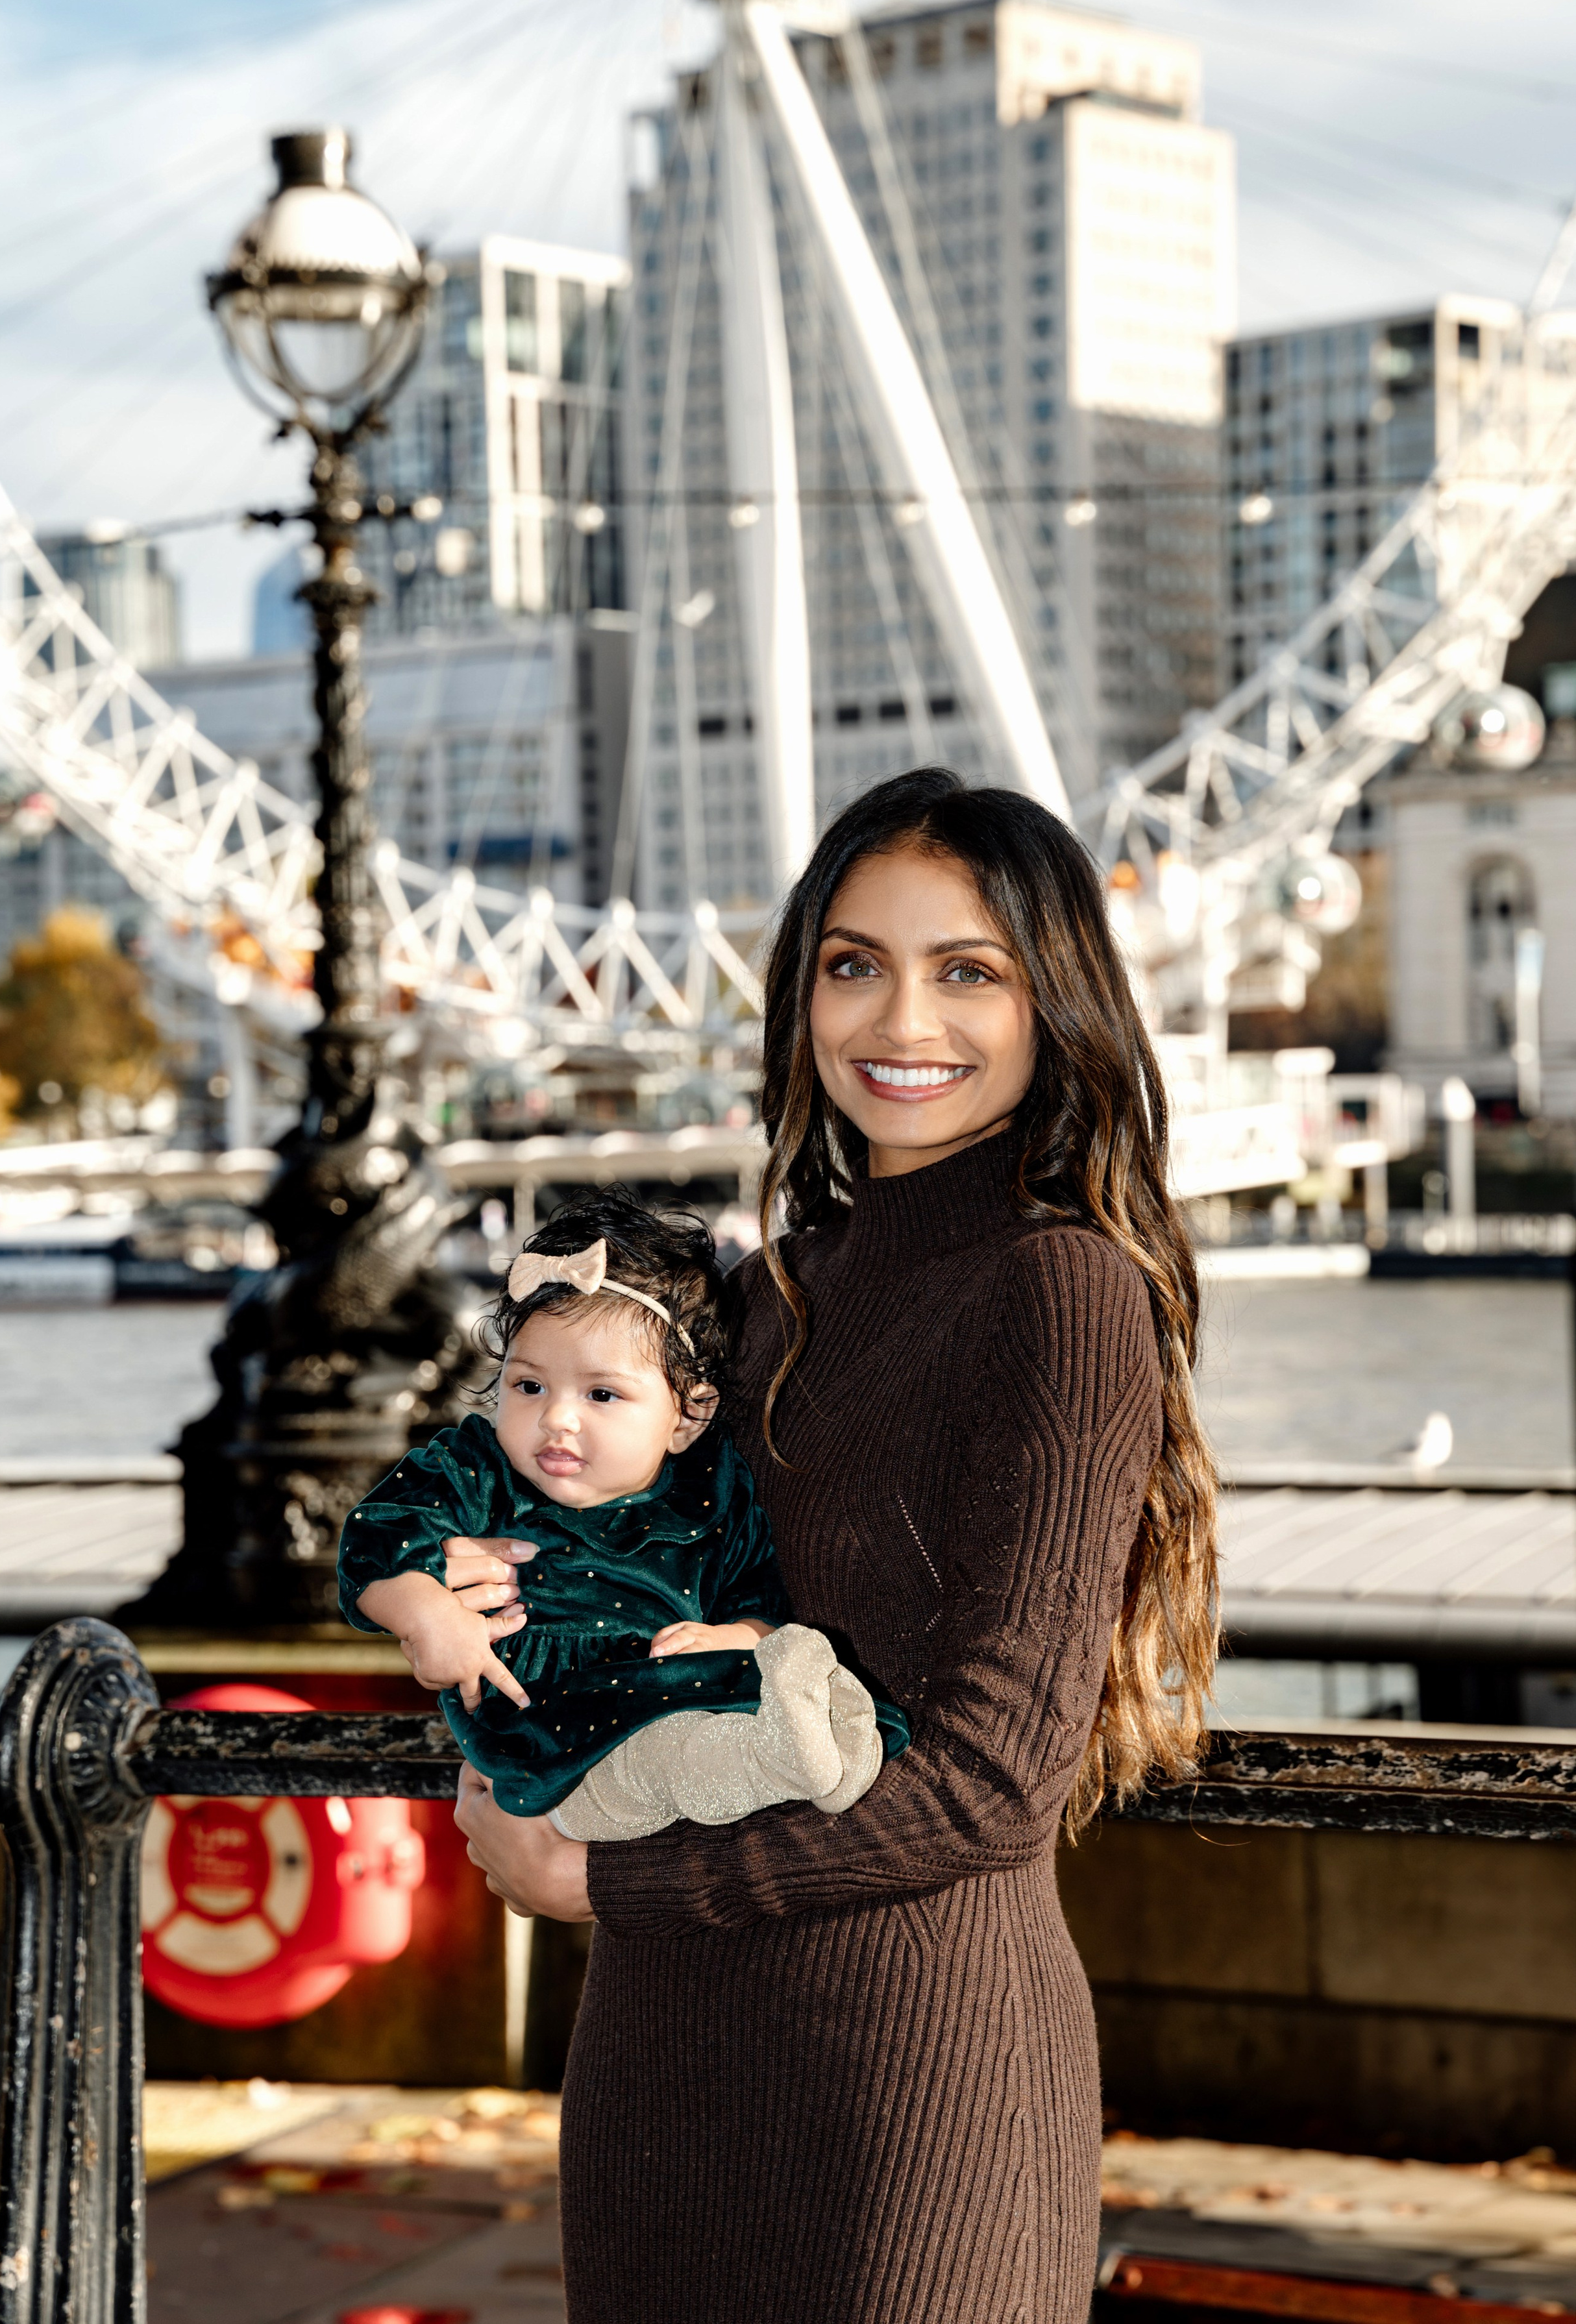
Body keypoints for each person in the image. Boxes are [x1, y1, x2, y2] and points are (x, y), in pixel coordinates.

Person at [448, 766, 1219, 2324]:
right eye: (852, 963)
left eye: (967, 970)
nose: (896, 1016)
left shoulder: (1055, 1290)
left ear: (1051, 1002)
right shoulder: (760, 1299)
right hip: (661, 2066)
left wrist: (606, 1880)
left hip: (905, 2076)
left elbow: (995, 1780)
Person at [338, 1188, 907, 1840]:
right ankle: (778, 1760)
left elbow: (759, 1592)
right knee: (657, 1764)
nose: (555, 1417)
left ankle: (826, 1738)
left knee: (740, 1698)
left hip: (682, 1678)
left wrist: (742, 1634)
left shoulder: (711, 1490)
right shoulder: (478, 1466)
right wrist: (427, 1613)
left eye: (601, 1393)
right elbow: (375, 1542)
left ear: (688, 1416)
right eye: (528, 1385)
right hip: (551, 1720)